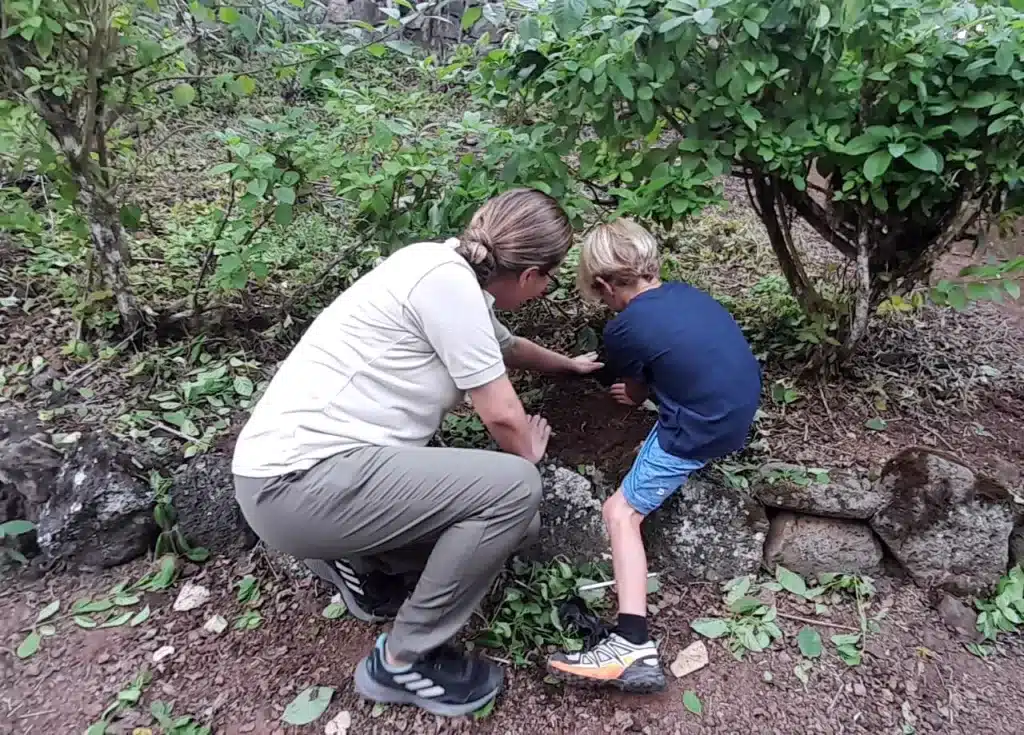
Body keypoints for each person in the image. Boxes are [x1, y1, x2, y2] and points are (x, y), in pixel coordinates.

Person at [232, 189, 602, 717]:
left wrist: (569, 366)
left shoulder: (436, 266)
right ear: (529, 275)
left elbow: (503, 346)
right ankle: (403, 659)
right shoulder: (448, 285)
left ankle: (364, 569)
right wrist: (529, 450)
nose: (545, 290)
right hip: (301, 484)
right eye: (549, 279)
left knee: (521, 525)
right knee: (516, 489)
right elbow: (501, 416)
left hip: (287, 482)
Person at [547, 219, 761, 692]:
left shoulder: (625, 328)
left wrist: (630, 394)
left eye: (600, 295)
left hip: (702, 427)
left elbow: (631, 383)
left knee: (619, 512)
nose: (604, 303)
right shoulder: (688, 295)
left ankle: (632, 645)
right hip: (737, 410)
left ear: (605, 285)